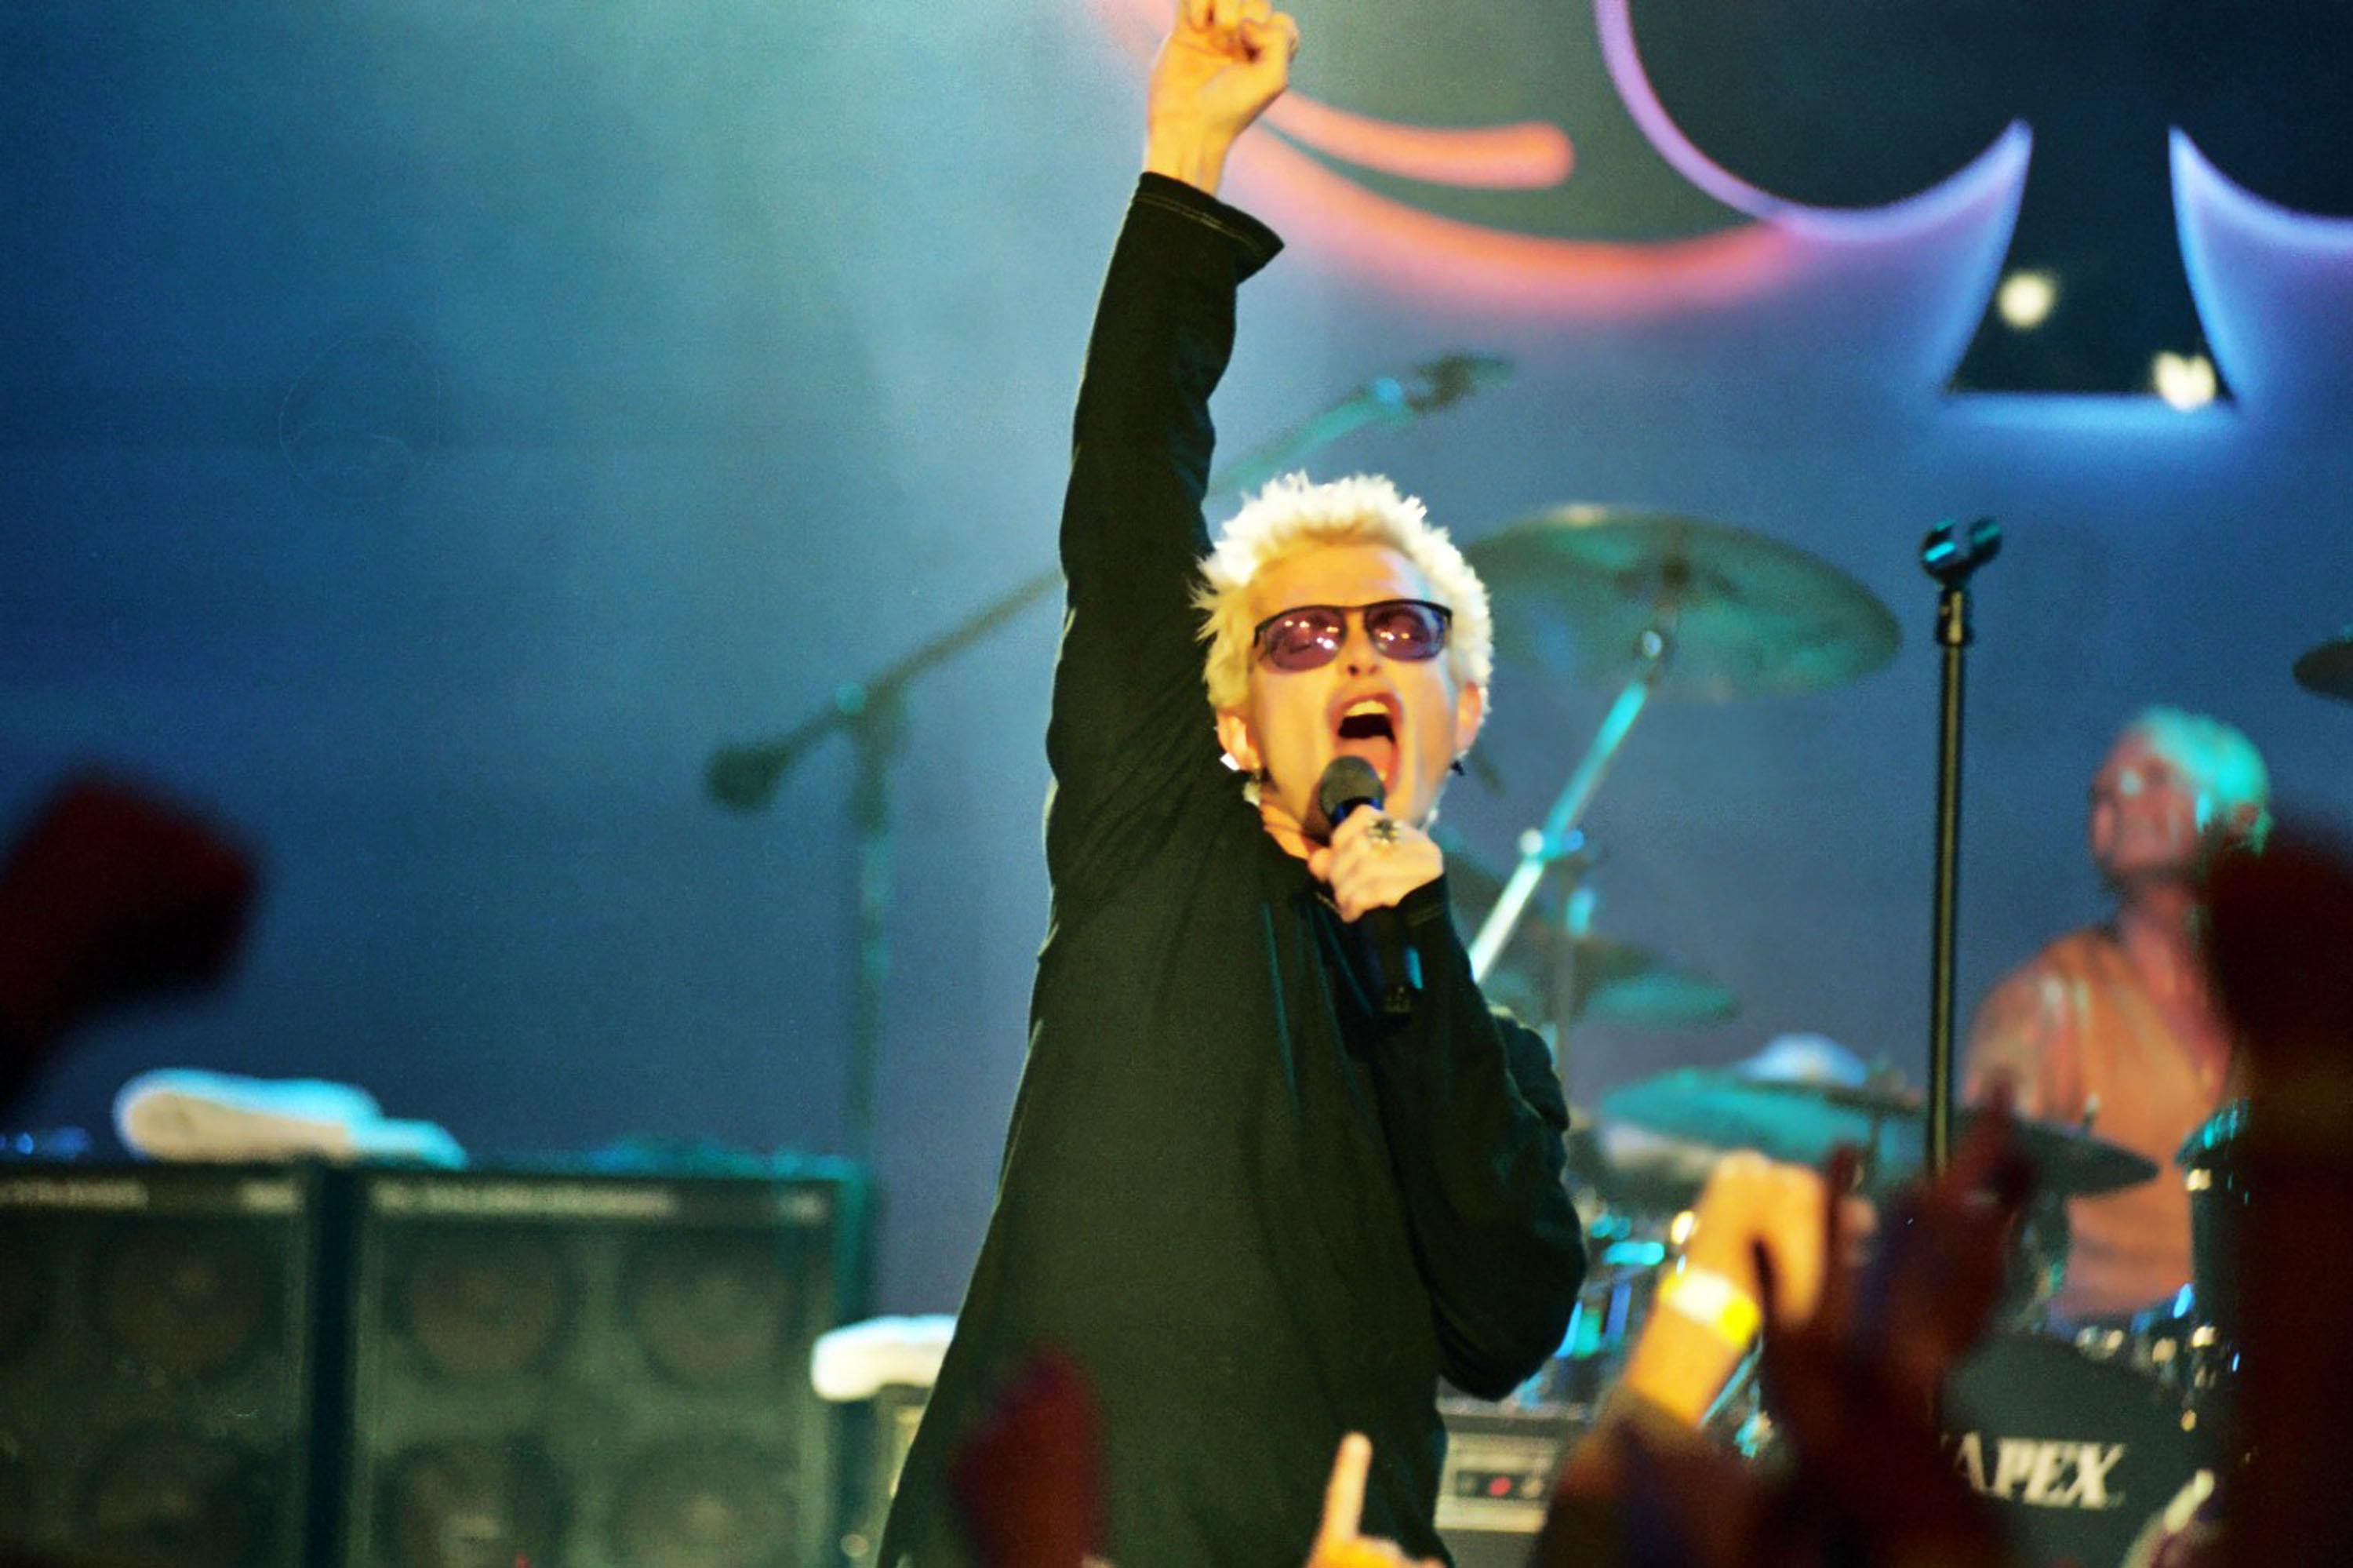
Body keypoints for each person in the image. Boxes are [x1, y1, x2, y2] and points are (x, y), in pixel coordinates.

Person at [876, 3, 1587, 1562]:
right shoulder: (1153, 839)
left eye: (1398, 630)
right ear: (1224, 712)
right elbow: (1133, 500)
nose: (1350, 659)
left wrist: (1413, 963)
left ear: (1462, 710)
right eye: (1299, 636)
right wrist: (1188, 159)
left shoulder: (1487, 1055)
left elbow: (1506, 1320)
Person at [1963, 707, 2268, 1320]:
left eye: (2156, 777)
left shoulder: (2304, 1004)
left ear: (2246, 819)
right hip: (2102, 1380)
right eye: (2102, 789)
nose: (2116, 794)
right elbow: (1977, 1197)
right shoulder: (2045, 1001)